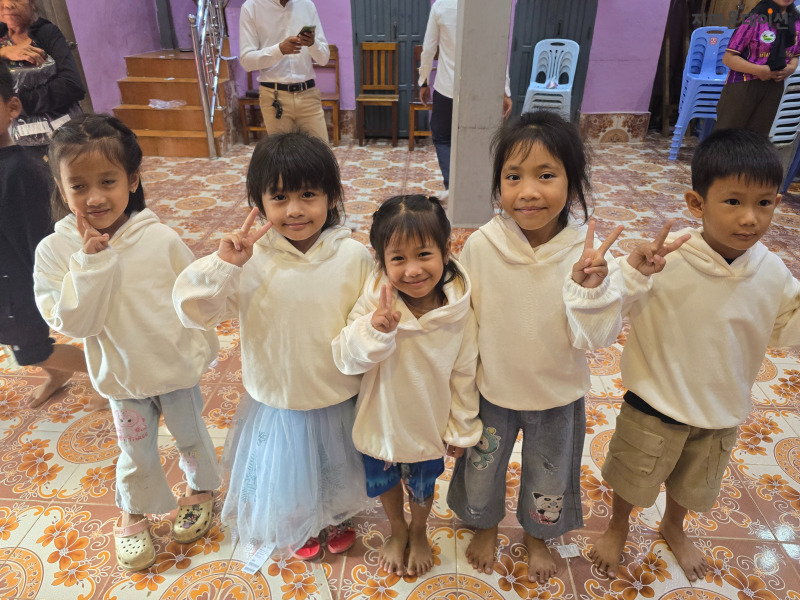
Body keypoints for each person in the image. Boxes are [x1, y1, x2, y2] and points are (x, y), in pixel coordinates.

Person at [589, 128, 800, 582]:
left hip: (721, 408)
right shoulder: (666, 260)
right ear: (696, 203)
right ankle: (618, 525)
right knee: (633, 475)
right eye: (733, 201)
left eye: (764, 203)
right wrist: (626, 274)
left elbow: (786, 328)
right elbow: (606, 314)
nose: (750, 218)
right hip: (654, 402)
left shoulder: (773, 272)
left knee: (693, 480)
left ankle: (673, 525)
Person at [173, 131, 373, 566]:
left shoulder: (354, 256)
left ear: (332, 197)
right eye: (279, 197)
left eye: (308, 195)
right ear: (258, 202)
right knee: (287, 467)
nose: (295, 209)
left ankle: (336, 513)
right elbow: (193, 311)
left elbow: (365, 321)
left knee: (335, 463)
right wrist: (224, 266)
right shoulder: (250, 258)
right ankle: (300, 518)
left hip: (334, 389)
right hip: (278, 394)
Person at [445, 110, 629, 584]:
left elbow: (597, 338)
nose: (528, 191)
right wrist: (456, 399)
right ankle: (485, 524)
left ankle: (537, 536)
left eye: (546, 175)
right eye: (513, 177)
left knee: (549, 477)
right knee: (482, 470)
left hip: (557, 395)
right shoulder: (481, 246)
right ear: (498, 185)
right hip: (492, 391)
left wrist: (589, 292)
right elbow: (465, 327)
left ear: (572, 182)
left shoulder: (586, 254)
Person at [33, 115, 221, 572]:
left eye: (108, 181)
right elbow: (75, 322)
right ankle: (133, 510)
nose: (95, 197)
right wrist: (89, 264)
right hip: (121, 375)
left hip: (174, 367)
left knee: (191, 436)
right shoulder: (55, 251)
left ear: (132, 179)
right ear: (60, 187)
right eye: (78, 186)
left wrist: (202, 347)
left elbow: (192, 298)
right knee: (135, 451)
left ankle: (201, 489)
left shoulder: (159, 238)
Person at [332, 195, 482, 577]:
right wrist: (373, 331)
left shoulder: (458, 312)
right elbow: (346, 357)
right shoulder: (373, 302)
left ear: (446, 250)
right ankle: (397, 529)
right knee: (384, 479)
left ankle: (418, 529)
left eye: (424, 254)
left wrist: (461, 427)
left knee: (423, 484)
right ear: (381, 260)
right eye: (398, 258)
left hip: (427, 421)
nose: (413, 270)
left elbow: (464, 373)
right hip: (382, 417)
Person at [0, 60, 89, 408]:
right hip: (6, 281)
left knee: (31, 349)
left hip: (19, 284)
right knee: (17, 343)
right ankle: (57, 374)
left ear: (12, 108)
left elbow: (39, 239)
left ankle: (105, 375)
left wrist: (45, 287)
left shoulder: (20, 172)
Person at [418, 0, 512, 196]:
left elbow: (428, 49)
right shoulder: (489, 6)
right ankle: (476, 191)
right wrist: (505, 90)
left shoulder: (441, 6)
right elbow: (498, 49)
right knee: (479, 139)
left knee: (443, 138)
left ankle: (452, 188)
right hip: (481, 91)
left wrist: (423, 81)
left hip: (447, 88)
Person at [0, 0, 85, 156]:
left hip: (62, 136)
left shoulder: (47, 33)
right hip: (15, 145)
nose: (7, 4)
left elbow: (72, 85)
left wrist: (19, 104)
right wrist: (4, 52)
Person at [239, 0, 330, 142]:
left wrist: (313, 43)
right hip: (274, 98)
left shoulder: (307, 5)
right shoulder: (251, 7)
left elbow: (324, 59)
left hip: (308, 95)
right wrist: (279, 50)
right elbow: (246, 61)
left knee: (321, 152)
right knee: (282, 155)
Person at [716, 0, 800, 137]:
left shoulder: (796, 23)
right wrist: (759, 70)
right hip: (743, 84)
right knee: (727, 138)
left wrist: (790, 68)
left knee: (757, 139)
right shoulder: (755, 19)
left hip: (774, 87)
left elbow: (795, 56)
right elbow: (728, 58)